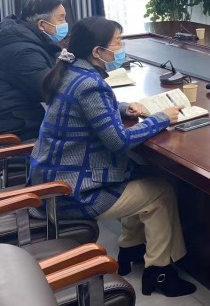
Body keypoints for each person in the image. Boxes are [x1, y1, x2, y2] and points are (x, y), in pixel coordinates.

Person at [30, 16, 196, 297]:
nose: (121, 48)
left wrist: (121, 108)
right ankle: (159, 273)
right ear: (97, 51)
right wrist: (160, 118)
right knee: (161, 191)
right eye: (118, 42)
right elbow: (119, 142)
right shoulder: (90, 84)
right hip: (73, 192)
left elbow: (86, 107)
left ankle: (130, 249)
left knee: (138, 173)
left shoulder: (70, 70)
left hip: (54, 179)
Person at [0, 0, 68, 140]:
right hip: (19, 131)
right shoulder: (23, 52)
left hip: (24, 121)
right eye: (61, 18)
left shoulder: (26, 40)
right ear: (42, 25)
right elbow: (50, 90)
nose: (65, 23)